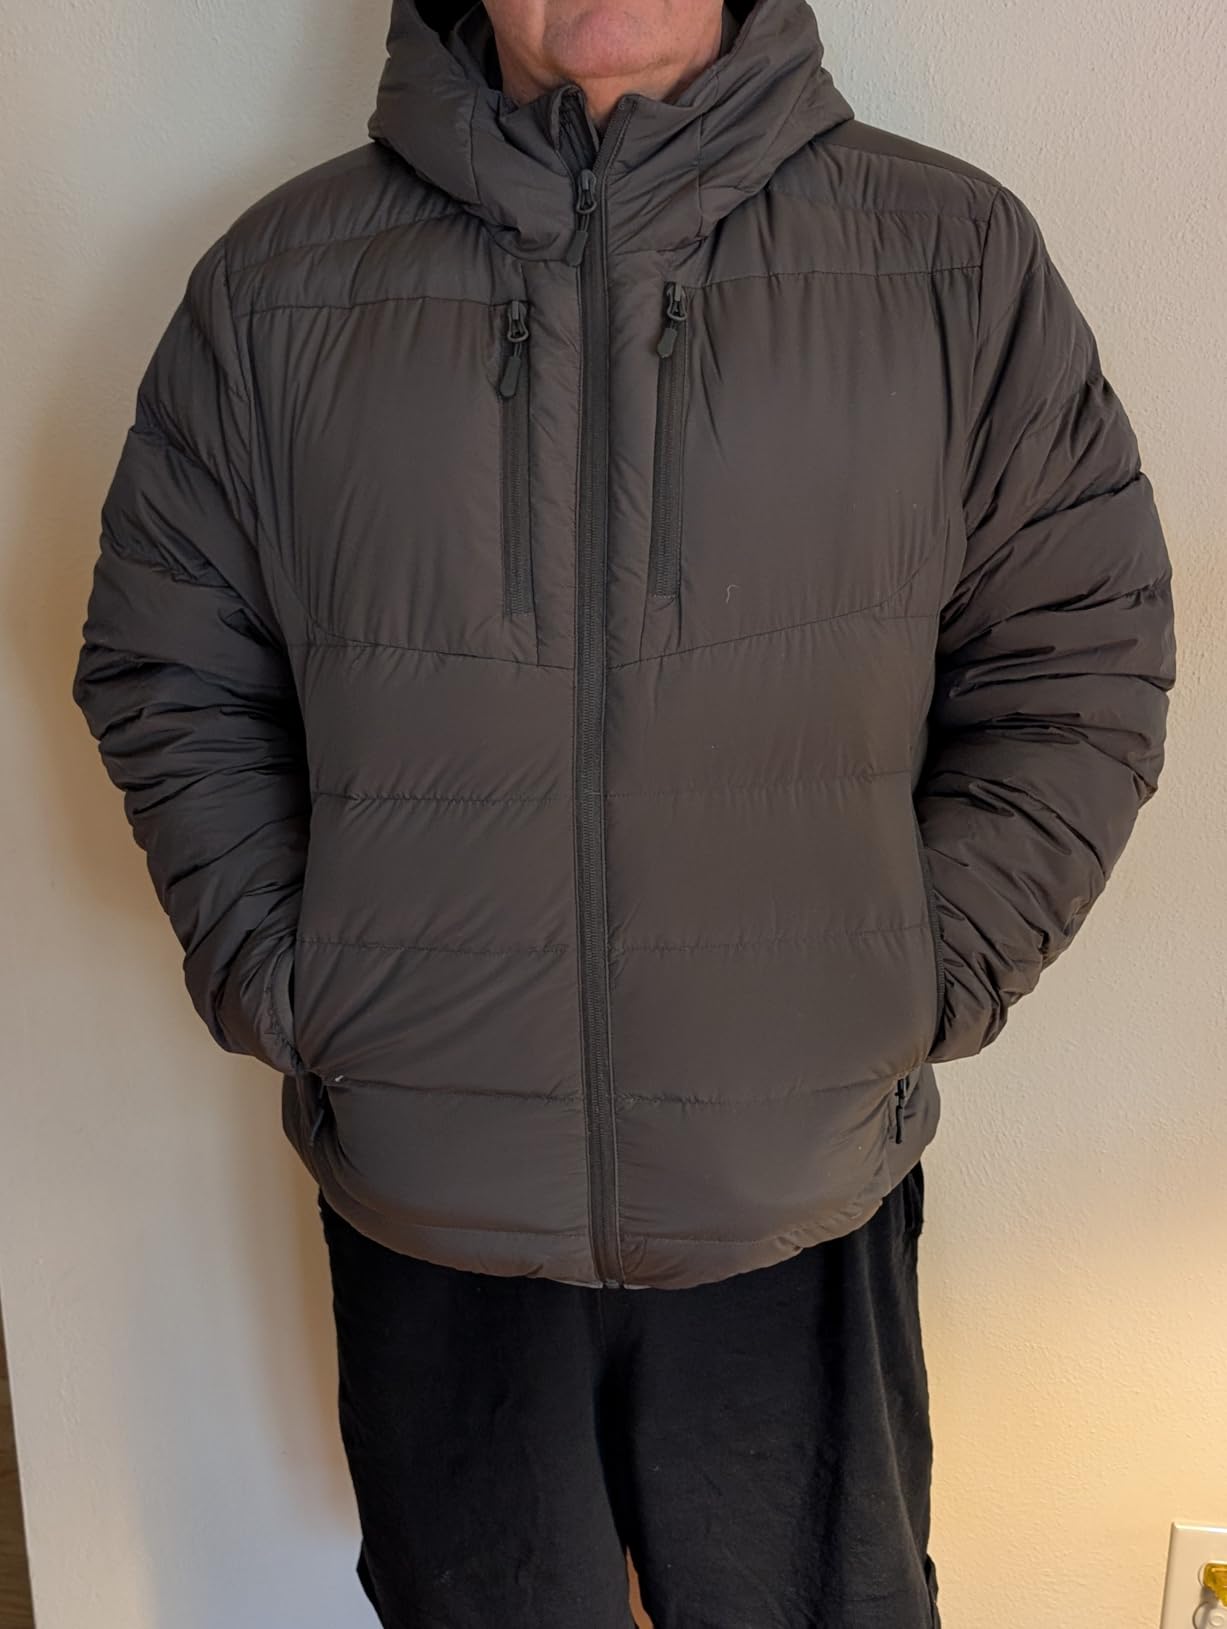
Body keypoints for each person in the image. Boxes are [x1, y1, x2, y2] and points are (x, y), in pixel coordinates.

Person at [70, 0, 1176, 1620]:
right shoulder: (274, 288)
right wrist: (298, 980)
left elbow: (1082, 651)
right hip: (436, 1207)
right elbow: (167, 666)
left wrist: (913, 976)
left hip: (795, 1200)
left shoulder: (953, 261)